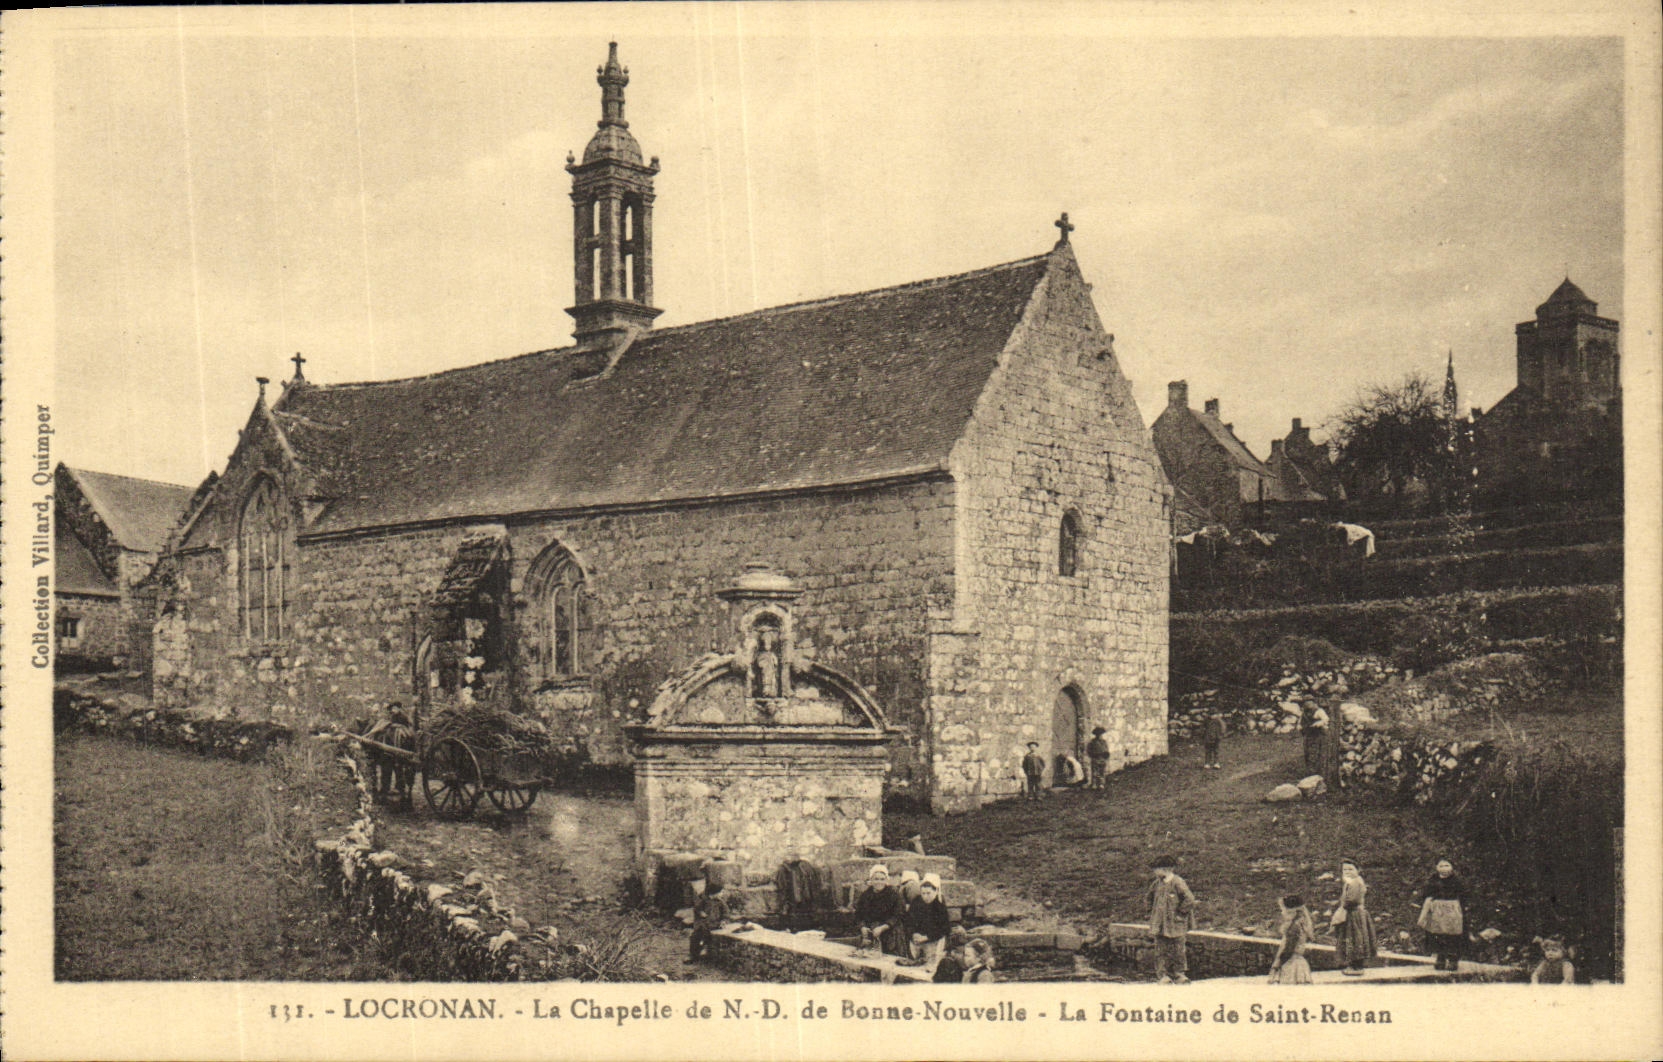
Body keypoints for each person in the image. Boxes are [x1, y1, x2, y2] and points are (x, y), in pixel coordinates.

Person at [1147, 855, 1196, 984]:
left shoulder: (1178, 882)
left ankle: (1179, 974)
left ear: (1166, 869)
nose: (1155, 872)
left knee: (1178, 949)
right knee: (1161, 950)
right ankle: (1163, 975)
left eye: (1156, 869)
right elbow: (1149, 898)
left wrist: (1181, 913)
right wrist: (1153, 913)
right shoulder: (1156, 883)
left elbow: (1189, 899)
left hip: (1176, 923)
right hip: (1160, 924)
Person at [1415, 857, 1468, 972]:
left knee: (1453, 934)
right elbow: (1427, 895)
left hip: (1452, 909)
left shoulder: (1456, 881)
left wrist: (1462, 909)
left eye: (1447, 865)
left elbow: (1463, 896)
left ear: (1452, 867)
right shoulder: (1433, 881)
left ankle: (1453, 959)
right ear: (1437, 868)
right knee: (1438, 934)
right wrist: (1426, 910)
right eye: (1441, 866)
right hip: (1437, 910)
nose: (1444, 869)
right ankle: (1441, 958)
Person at [1329, 857, 1377, 976]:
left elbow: (1352, 900)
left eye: (1350, 869)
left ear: (1358, 870)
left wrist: (1343, 906)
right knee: (1352, 939)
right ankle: (1354, 964)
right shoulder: (1350, 882)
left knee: (1356, 938)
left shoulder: (1356, 882)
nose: (1347, 872)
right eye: (1345, 870)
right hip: (1352, 913)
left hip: (1355, 914)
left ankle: (1357, 966)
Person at [854, 864, 904, 956]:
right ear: (871, 880)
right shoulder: (865, 895)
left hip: (890, 932)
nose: (879, 882)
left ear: (886, 880)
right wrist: (862, 927)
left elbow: (897, 916)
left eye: (882, 879)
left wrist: (882, 928)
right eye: (876, 879)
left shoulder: (894, 895)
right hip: (870, 932)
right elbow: (858, 915)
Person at [904, 874, 953, 964]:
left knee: (931, 963)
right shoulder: (916, 902)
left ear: (936, 891)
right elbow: (909, 921)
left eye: (928, 893)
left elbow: (945, 929)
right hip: (917, 940)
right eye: (923, 893)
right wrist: (913, 934)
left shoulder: (939, 905)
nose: (925, 896)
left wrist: (926, 937)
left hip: (932, 939)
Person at [1267, 894, 1314, 984]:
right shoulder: (1300, 924)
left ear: (1292, 912)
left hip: (1291, 965)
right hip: (1299, 963)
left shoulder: (1293, 928)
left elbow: (1288, 949)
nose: (1282, 913)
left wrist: (1278, 964)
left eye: (1284, 910)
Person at [686, 873, 729, 964]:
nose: (722, 894)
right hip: (704, 924)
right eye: (721, 892)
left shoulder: (721, 903)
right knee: (695, 937)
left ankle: (706, 952)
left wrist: (723, 921)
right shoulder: (704, 901)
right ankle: (692, 955)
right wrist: (701, 912)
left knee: (708, 937)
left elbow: (725, 913)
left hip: (715, 924)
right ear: (714, 893)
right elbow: (697, 909)